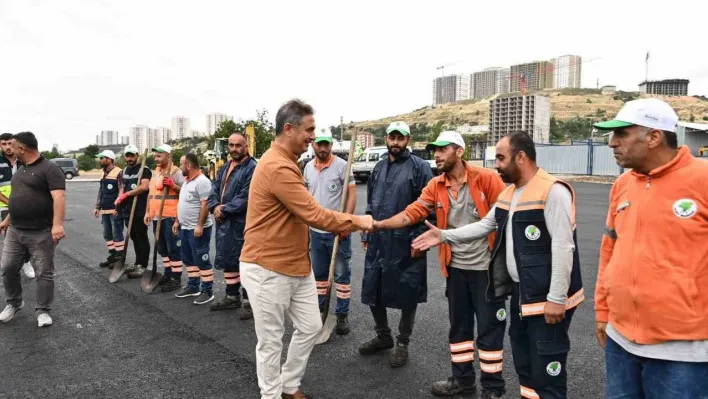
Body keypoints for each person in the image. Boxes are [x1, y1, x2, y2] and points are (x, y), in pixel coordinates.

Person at [413, 131, 584, 399]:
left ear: (521, 157)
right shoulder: (510, 194)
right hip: (521, 296)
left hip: (546, 300)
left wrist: (557, 298)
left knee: (547, 368)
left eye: (501, 158)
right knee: (525, 366)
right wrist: (444, 235)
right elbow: (485, 225)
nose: (496, 165)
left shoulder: (553, 191)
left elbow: (564, 247)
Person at [239, 99, 373, 399]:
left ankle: (288, 384)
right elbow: (315, 214)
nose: (313, 137)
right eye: (309, 130)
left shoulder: (289, 162)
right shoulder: (277, 167)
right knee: (271, 341)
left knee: (311, 326)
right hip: (267, 268)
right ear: (289, 128)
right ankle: (272, 395)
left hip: (296, 266)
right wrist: (359, 221)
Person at [374, 130, 507, 398]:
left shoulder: (487, 179)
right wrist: (378, 224)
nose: (436, 154)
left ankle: (493, 389)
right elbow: (413, 212)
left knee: (489, 333)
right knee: (459, 329)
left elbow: (503, 218)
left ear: (459, 151)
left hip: (486, 272)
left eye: (442, 149)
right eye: (434, 149)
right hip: (456, 270)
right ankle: (463, 381)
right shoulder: (436, 185)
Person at [593, 98, 708, 398]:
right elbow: (609, 249)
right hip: (620, 342)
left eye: (622, 134)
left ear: (654, 136)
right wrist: (603, 311)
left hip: (682, 351)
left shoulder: (703, 179)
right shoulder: (622, 185)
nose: (611, 143)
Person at [358, 121, 433, 368]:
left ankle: (403, 343)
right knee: (373, 289)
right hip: (379, 240)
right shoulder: (378, 167)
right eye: (392, 137)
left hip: (406, 242)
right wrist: (367, 233)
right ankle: (384, 336)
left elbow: (429, 207)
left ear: (408, 140)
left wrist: (420, 238)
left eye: (401, 138)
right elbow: (371, 203)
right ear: (386, 138)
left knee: (407, 293)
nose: (396, 142)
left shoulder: (419, 168)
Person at [0, 132, 66, 327]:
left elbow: (59, 197)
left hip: (40, 231)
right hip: (15, 230)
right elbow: (16, 199)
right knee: (8, 267)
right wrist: (8, 220)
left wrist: (57, 224)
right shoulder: (20, 170)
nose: (9, 149)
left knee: (43, 272)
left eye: (12, 145)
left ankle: (43, 311)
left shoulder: (50, 169)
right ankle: (14, 303)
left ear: (22, 149)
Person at [303, 128, 356, 335]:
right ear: (313, 145)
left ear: (331, 145)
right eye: (320, 144)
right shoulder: (307, 168)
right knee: (319, 276)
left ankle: (342, 315)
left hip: (338, 231)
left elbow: (351, 195)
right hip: (316, 231)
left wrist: (346, 223)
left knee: (342, 274)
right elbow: (306, 198)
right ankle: (320, 311)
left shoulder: (343, 166)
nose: (323, 148)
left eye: (327, 144)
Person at [207, 132, 257, 318]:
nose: (234, 149)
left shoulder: (252, 168)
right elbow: (214, 188)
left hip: (242, 223)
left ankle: (249, 302)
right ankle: (231, 295)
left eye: (238, 145)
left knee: (245, 262)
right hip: (224, 222)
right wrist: (214, 206)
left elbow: (246, 196)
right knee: (228, 259)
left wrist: (223, 209)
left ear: (246, 147)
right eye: (231, 145)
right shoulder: (225, 167)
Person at [172, 154, 215, 305]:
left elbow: (205, 205)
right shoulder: (186, 181)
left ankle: (207, 290)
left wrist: (199, 225)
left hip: (197, 229)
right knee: (188, 259)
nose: (179, 166)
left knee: (201, 259)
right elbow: (182, 203)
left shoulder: (202, 182)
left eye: (181, 164)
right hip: (185, 227)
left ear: (188, 166)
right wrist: (177, 221)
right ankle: (193, 286)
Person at [143, 144, 184, 293]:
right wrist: (148, 212)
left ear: (168, 156)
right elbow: (151, 194)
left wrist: (173, 185)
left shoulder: (176, 172)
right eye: (155, 156)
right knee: (162, 248)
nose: (156, 158)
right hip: (156, 216)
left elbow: (186, 192)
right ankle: (168, 273)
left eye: (159, 156)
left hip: (170, 215)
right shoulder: (156, 173)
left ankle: (176, 278)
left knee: (173, 248)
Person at [114, 144, 152, 278]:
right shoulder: (124, 170)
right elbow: (122, 188)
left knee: (141, 236)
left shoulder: (144, 170)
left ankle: (143, 265)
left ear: (137, 155)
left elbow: (144, 187)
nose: (130, 158)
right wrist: (119, 201)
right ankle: (137, 263)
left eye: (132, 155)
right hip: (128, 209)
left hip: (140, 209)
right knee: (134, 237)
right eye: (127, 155)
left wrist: (127, 194)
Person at [0, 132, 34, 278]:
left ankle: (26, 262)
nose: (8, 147)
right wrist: (12, 203)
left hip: (26, 207)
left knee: (27, 237)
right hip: (5, 207)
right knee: (11, 238)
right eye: (4, 144)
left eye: (10, 144)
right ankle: (12, 268)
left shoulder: (24, 162)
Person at [93, 150, 125, 269]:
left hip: (115, 209)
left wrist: (118, 206)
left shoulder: (118, 172)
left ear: (110, 159)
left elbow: (121, 190)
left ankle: (119, 257)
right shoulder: (103, 173)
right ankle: (112, 255)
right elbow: (101, 191)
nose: (100, 160)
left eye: (102, 158)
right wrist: (97, 207)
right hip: (105, 209)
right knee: (107, 235)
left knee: (117, 234)